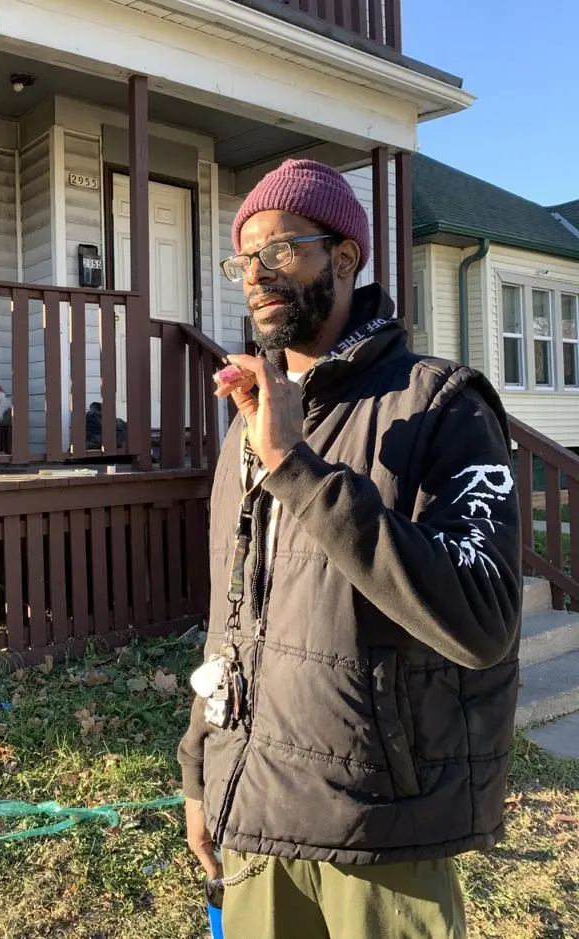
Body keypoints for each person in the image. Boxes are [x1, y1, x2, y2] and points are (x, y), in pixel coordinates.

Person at [177, 159, 521, 939]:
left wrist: (298, 468)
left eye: (280, 249)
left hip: (380, 838)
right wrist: (202, 770)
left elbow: (483, 617)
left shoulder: (439, 404)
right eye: (243, 258)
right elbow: (229, 619)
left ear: (344, 257)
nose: (256, 274)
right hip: (256, 819)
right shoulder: (246, 423)